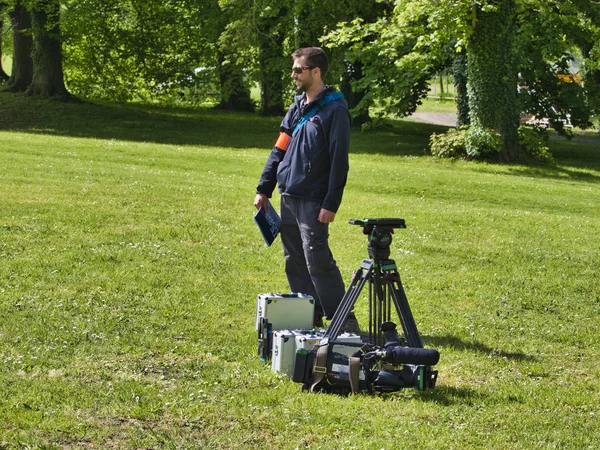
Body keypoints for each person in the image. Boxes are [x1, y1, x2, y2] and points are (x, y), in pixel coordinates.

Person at [253, 47, 359, 332]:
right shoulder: (296, 107)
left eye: (298, 70)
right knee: (295, 261)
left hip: (314, 201)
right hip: (288, 196)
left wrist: (331, 203)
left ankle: (344, 322)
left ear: (316, 72)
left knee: (317, 262)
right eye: (293, 69)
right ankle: (308, 316)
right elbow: (278, 150)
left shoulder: (335, 111)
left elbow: (340, 162)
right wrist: (264, 188)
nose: (293, 75)